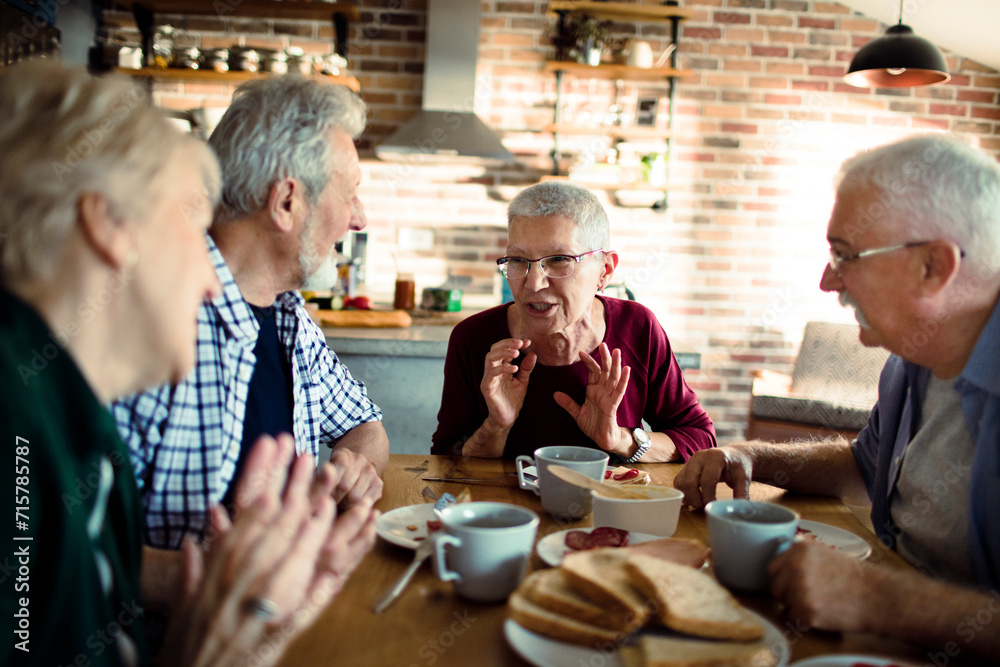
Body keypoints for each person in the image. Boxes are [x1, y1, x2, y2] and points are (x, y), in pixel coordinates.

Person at [0, 61, 377, 666]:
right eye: (191, 226)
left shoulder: (66, 408)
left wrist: (230, 612)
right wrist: (226, 604)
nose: (211, 278)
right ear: (109, 223)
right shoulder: (23, 419)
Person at [674, 134, 1000, 661]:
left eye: (845, 255)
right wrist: (751, 455)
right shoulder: (909, 361)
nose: (828, 280)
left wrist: (881, 599)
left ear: (935, 267)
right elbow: (860, 466)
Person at [111, 76, 388, 585]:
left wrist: (351, 468)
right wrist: (233, 572)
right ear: (286, 202)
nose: (359, 219)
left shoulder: (289, 315)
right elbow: (57, 557)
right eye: (349, 196)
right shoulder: (146, 323)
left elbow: (366, 425)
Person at [432, 181, 716, 461]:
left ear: (604, 271)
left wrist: (619, 439)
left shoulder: (637, 327)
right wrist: (496, 426)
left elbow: (698, 437)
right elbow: (445, 460)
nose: (533, 283)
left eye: (558, 259)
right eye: (518, 260)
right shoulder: (473, 338)